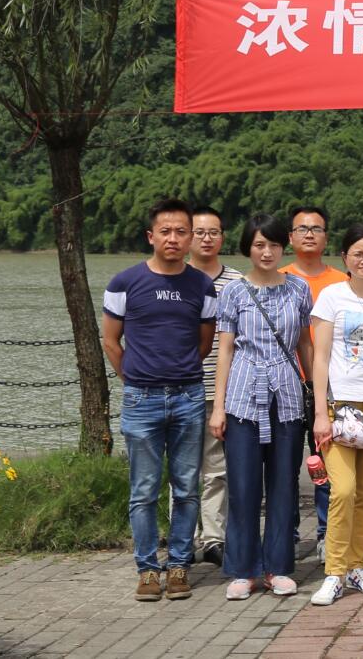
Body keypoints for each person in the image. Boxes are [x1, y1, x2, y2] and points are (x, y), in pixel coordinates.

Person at [102, 198, 216, 602]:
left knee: (187, 488)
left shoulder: (202, 286)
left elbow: (204, 343)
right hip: (141, 400)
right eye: (165, 231)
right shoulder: (124, 283)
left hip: (188, 398)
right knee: (144, 490)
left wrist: (177, 374)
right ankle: (148, 569)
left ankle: (180, 565)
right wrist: (134, 379)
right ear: (150, 236)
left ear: (190, 238)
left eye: (181, 231)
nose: (173, 238)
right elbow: (111, 342)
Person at [209, 214, 313, 601]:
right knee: (243, 485)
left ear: (284, 245)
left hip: (286, 397)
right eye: (259, 245)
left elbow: (304, 343)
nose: (267, 252)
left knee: (284, 484)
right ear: (248, 248)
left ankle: (278, 567)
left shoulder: (298, 289)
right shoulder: (234, 292)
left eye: (273, 244)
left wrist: (316, 392)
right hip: (242, 396)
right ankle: (244, 568)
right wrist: (218, 406)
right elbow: (225, 350)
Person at [308, 225, 363, 606]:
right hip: (339, 408)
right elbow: (321, 358)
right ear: (344, 257)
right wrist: (320, 413)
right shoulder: (332, 296)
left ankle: (358, 565)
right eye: (357, 254)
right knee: (341, 491)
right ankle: (334, 572)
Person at [281, 205, 348, 549]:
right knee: (286, 463)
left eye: (316, 229)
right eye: (302, 229)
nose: (309, 234)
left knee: (326, 462)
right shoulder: (278, 277)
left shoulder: (342, 281)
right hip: (286, 385)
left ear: (326, 237)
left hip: (331, 386)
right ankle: (287, 533)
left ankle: (327, 533)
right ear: (290, 237)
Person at [189, 206, 241, 567]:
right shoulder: (174, 277)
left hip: (221, 392)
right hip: (182, 388)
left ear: (223, 237)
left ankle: (213, 538)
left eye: (214, 232)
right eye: (200, 232)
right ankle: (183, 538)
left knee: (217, 468)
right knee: (183, 470)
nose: (207, 239)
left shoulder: (236, 282)